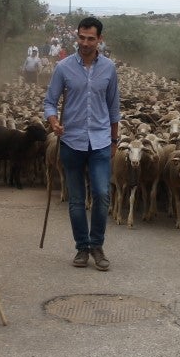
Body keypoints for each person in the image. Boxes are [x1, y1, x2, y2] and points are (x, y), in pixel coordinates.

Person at [43, 16, 121, 271]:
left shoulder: (109, 68)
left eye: (91, 38)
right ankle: (82, 247)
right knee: (76, 199)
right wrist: (54, 122)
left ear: (100, 39)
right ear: (76, 37)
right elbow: (50, 102)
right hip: (71, 141)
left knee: (102, 193)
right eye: (81, 38)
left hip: (100, 141)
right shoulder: (63, 67)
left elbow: (113, 108)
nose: (85, 43)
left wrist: (114, 140)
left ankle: (97, 245)